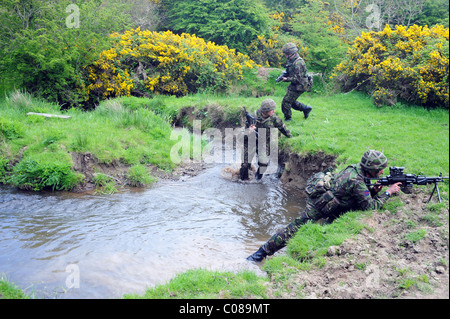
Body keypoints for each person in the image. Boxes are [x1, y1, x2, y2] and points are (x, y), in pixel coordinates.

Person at [247, 150, 402, 262]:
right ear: (371, 170)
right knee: (294, 228)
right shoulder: (357, 181)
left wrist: (373, 190)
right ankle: (260, 254)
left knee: (317, 228)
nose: (382, 171)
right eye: (380, 169)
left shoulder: (354, 169)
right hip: (320, 204)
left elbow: (357, 196)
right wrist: (388, 192)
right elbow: (370, 207)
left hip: (333, 202)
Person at [240, 99, 292, 180]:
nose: (274, 111)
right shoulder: (253, 117)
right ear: (265, 111)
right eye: (272, 110)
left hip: (263, 143)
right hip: (251, 142)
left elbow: (282, 127)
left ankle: (257, 179)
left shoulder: (273, 118)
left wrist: (290, 137)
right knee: (245, 165)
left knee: (263, 164)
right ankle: (242, 181)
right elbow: (242, 137)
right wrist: (249, 131)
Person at [279, 43, 313, 121]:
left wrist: (286, 79)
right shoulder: (292, 60)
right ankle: (305, 108)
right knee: (291, 101)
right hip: (296, 84)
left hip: (300, 85)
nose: (285, 56)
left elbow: (298, 79)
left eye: (286, 54)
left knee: (286, 102)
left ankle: (288, 118)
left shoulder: (298, 63)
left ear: (291, 54)